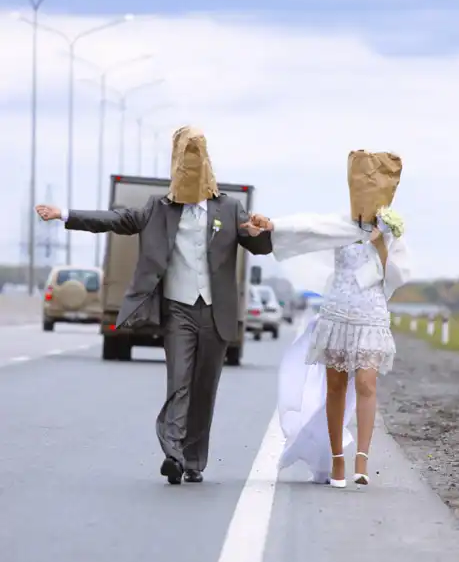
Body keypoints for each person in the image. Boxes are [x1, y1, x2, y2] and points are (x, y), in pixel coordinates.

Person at [36, 126, 272, 485]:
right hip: (178, 310)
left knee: (204, 388)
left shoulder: (229, 208)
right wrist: (64, 213)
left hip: (216, 313)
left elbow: (259, 246)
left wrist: (259, 231)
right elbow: (116, 220)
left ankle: (194, 460)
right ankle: (173, 455)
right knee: (179, 382)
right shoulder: (158, 209)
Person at [244, 202, 410, 488]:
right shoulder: (343, 224)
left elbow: (397, 276)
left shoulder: (389, 229)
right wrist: (274, 224)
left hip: (371, 317)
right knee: (336, 387)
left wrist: (381, 243)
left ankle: (362, 459)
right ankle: (337, 459)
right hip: (337, 316)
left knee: (367, 384)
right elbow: (310, 227)